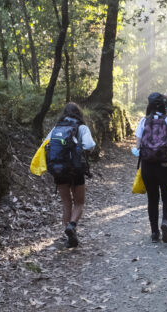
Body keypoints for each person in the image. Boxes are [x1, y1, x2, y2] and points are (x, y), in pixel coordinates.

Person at [44, 102, 96, 248]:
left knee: (66, 203)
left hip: (59, 169)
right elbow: (90, 145)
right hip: (76, 169)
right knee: (79, 203)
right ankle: (72, 226)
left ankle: (68, 236)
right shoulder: (81, 127)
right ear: (78, 113)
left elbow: (45, 144)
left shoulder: (57, 128)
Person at [135, 92, 167, 243]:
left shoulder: (143, 121)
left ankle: (154, 233)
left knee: (152, 199)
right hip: (166, 165)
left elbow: (138, 146)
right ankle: (165, 222)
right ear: (164, 104)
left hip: (148, 166)